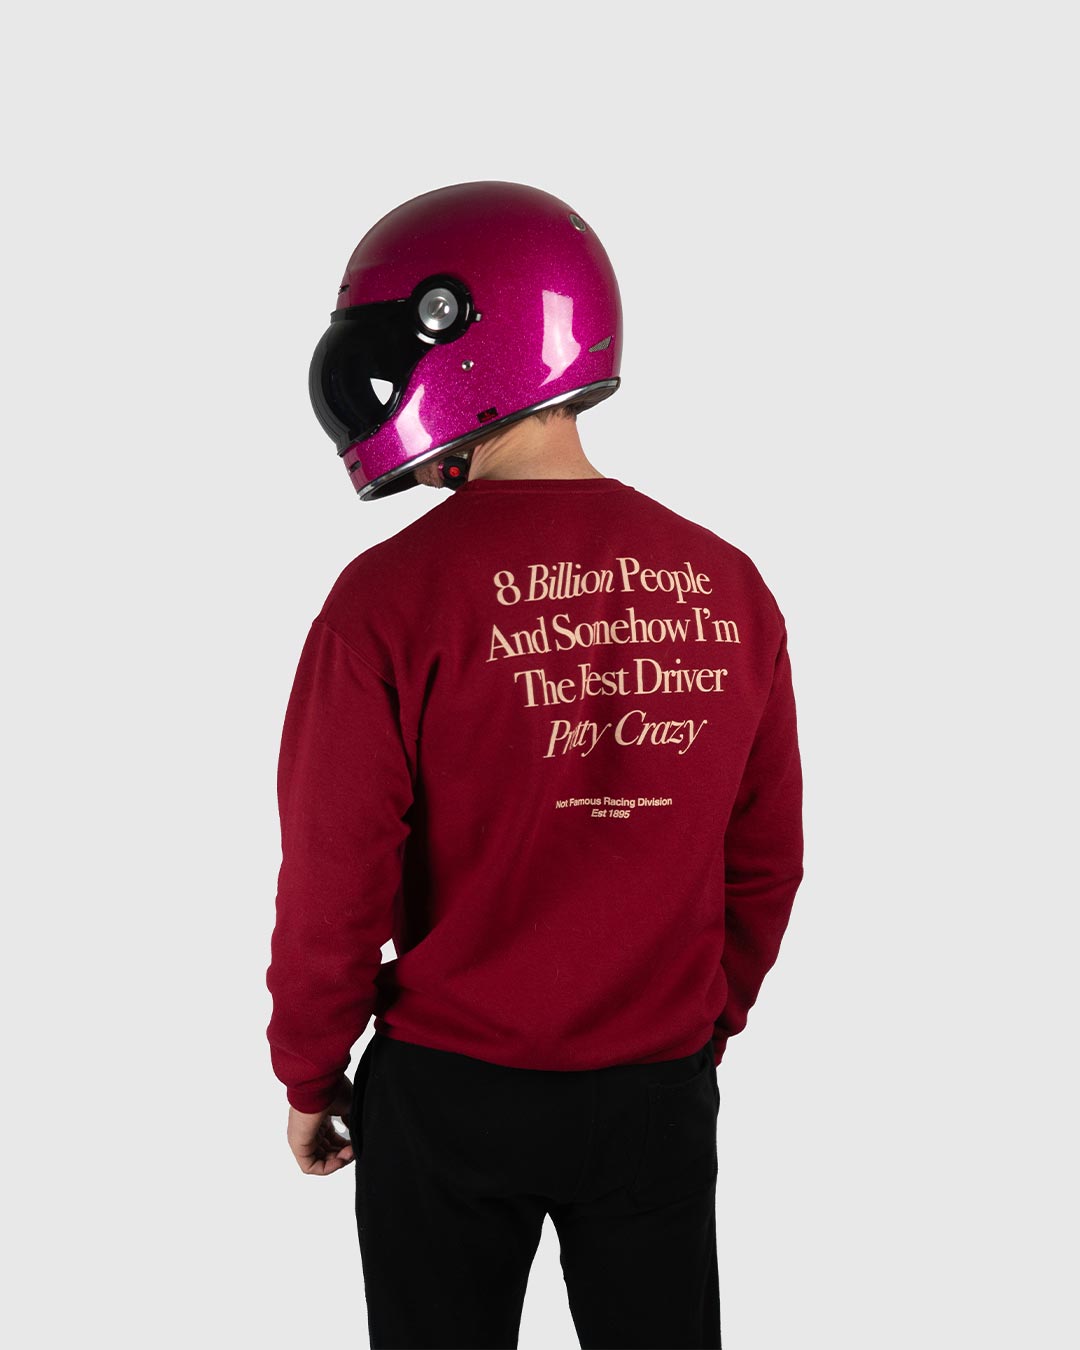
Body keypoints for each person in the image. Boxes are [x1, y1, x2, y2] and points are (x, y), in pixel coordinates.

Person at [265, 180, 804, 1349]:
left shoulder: (386, 600)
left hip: (451, 1087)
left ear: (465, 331)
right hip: (654, 1083)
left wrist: (310, 1071)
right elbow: (767, 856)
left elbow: (333, 877)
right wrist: (698, 1024)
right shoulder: (727, 582)